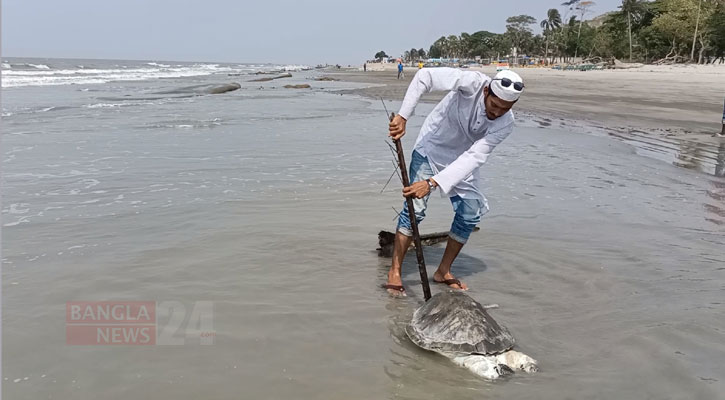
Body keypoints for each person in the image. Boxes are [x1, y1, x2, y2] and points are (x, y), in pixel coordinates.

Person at [382, 68, 524, 296]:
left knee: (470, 213)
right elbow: (425, 77)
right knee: (414, 210)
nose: (496, 113)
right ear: (486, 91)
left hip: (462, 159)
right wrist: (404, 115)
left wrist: (432, 183)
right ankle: (395, 270)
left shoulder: (505, 123)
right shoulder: (472, 83)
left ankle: (443, 271)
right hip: (431, 147)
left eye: (504, 109)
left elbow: (475, 156)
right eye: (494, 106)